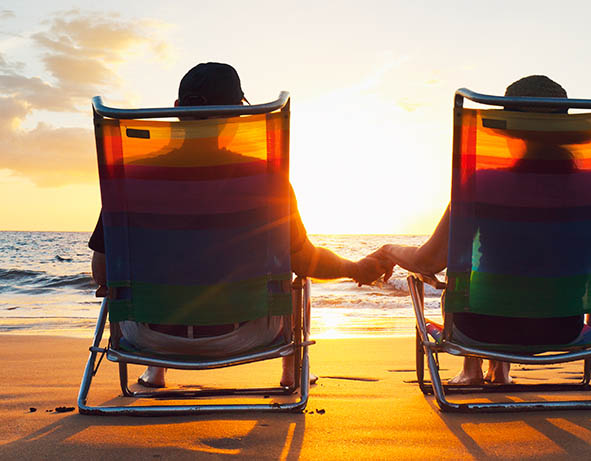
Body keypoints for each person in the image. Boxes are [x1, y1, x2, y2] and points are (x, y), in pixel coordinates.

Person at [89, 62, 393, 388]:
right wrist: (356, 268)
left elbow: (103, 272)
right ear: (237, 115)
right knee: (293, 277)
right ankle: (291, 373)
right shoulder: (265, 179)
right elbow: (304, 260)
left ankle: (155, 370)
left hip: (149, 338)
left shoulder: (131, 180)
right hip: (247, 335)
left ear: (177, 110)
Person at [372, 75, 591, 385]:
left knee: (475, 277)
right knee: (528, 266)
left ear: (511, 131)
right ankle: (499, 369)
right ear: (565, 134)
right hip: (562, 328)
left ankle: (471, 370)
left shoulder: (483, 184)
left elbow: (429, 263)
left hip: (481, 330)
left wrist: (389, 251)